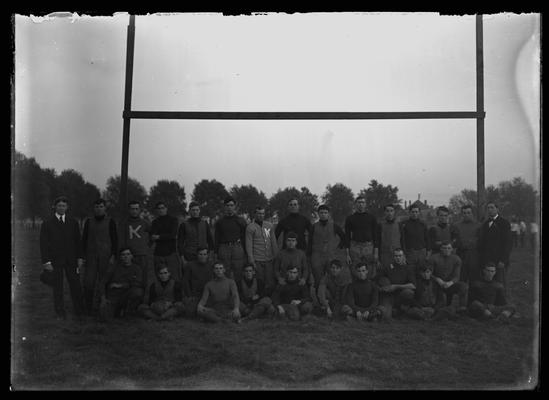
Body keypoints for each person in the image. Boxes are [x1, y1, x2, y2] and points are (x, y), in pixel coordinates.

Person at [39, 196, 85, 320]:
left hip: (71, 259)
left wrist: (80, 257)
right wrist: (46, 262)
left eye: (64, 206)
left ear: (67, 207)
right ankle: (60, 312)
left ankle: (79, 311)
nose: (61, 208)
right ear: (55, 207)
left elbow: (78, 241)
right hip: (55, 260)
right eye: (59, 205)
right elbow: (43, 244)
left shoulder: (73, 222)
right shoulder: (47, 223)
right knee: (58, 287)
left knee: (75, 285)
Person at [81, 198, 118, 316]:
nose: (99, 209)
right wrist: (82, 256)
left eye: (101, 206)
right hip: (91, 256)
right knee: (88, 282)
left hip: (105, 257)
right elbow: (84, 240)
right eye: (96, 207)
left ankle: (104, 307)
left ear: (105, 208)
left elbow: (115, 240)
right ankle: (88, 308)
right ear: (93, 208)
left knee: (104, 282)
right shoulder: (88, 222)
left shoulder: (110, 221)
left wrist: (113, 255)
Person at [307, 205, 348, 300]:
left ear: (328, 214)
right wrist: (308, 256)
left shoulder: (334, 226)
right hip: (317, 256)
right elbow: (309, 242)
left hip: (330, 256)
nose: (323, 214)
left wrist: (338, 247)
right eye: (321, 213)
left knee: (333, 278)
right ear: (318, 214)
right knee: (318, 279)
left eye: (325, 213)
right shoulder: (314, 227)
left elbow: (344, 237)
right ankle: (319, 301)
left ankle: (333, 299)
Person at [119, 201, 153, 302]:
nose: (134, 211)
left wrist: (148, 245)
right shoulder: (124, 223)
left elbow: (152, 233)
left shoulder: (144, 223)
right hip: (129, 256)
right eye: (132, 209)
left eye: (136, 209)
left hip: (142, 254)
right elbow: (121, 239)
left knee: (143, 278)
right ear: (129, 210)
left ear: (139, 210)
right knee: (129, 278)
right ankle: (128, 302)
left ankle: (141, 302)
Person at [98, 247, 144, 321]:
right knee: (104, 317)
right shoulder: (114, 267)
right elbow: (102, 282)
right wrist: (103, 298)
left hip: (126, 295)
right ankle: (117, 311)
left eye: (128, 254)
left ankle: (128, 311)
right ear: (120, 257)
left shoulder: (137, 268)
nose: (126, 257)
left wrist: (120, 285)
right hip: (113, 296)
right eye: (123, 255)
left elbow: (137, 283)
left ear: (132, 256)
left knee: (138, 292)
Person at [477, 202, 512, 293]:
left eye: (492, 207)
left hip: (499, 259)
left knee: (500, 281)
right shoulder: (485, 224)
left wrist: (503, 260)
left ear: (497, 209)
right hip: (487, 258)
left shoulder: (504, 223)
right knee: (489, 281)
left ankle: (502, 302)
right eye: (488, 208)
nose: (490, 210)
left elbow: (508, 243)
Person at [245, 206, 279, 294]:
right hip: (257, 259)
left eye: (263, 213)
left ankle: (270, 299)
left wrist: (276, 256)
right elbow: (249, 244)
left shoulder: (269, 225)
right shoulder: (250, 227)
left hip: (269, 259)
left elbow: (273, 242)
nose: (261, 215)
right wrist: (251, 259)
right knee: (260, 280)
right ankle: (260, 298)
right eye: (259, 213)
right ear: (255, 214)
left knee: (270, 280)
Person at [214, 197, 248, 282]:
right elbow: (216, 237)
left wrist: (245, 251)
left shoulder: (241, 220)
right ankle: (225, 293)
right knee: (225, 271)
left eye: (231, 205)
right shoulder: (220, 221)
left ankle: (238, 292)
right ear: (224, 207)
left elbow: (245, 237)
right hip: (224, 247)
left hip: (237, 247)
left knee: (239, 271)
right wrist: (215, 252)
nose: (229, 207)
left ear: (235, 206)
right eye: (227, 205)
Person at [376, 248, 416, 319]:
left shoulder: (407, 268)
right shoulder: (388, 267)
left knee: (409, 293)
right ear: (393, 257)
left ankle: (401, 309)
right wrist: (383, 288)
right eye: (396, 256)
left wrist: (396, 286)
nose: (398, 258)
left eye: (400, 256)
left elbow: (413, 286)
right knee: (386, 317)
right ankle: (392, 311)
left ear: (403, 256)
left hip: (400, 295)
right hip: (388, 295)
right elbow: (377, 279)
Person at [344, 196, 379, 278]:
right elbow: (347, 237)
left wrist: (376, 252)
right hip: (355, 247)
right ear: (355, 204)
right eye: (359, 202)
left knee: (369, 270)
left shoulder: (371, 218)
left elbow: (375, 235)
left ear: (365, 204)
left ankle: (369, 287)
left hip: (368, 247)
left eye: (363, 202)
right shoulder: (350, 218)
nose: (361, 204)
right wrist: (347, 254)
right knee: (355, 269)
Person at [430, 241, 468, 312]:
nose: (447, 250)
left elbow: (457, 276)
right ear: (440, 249)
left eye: (449, 248)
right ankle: (440, 305)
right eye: (444, 248)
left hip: (450, 284)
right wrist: (437, 279)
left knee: (463, 286)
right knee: (440, 306)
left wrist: (450, 283)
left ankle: (462, 308)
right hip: (437, 284)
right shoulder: (434, 258)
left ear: (452, 249)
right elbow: (429, 274)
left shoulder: (456, 259)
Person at [150, 201, 182, 283]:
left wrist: (159, 236)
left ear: (166, 209)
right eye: (159, 208)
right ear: (156, 210)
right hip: (158, 253)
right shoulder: (155, 222)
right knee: (160, 277)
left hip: (170, 253)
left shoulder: (173, 220)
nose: (161, 210)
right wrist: (164, 236)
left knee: (174, 276)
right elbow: (153, 236)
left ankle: (175, 294)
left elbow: (173, 235)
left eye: (163, 208)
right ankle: (161, 294)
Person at [182, 247, 213, 318]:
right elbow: (185, 281)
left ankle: (207, 312)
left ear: (207, 255)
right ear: (197, 255)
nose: (202, 256)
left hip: (208, 295)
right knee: (190, 313)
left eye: (205, 254)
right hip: (195, 295)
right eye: (200, 254)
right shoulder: (190, 265)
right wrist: (189, 295)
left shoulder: (211, 265)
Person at [400, 204, 430, 275]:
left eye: (416, 212)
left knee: (422, 272)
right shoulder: (404, 224)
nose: (415, 214)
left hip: (422, 252)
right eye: (413, 212)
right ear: (409, 212)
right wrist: (403, 253)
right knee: (411, 272)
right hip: (410, 252)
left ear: (419, 212)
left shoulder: (423, 224)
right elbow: (402, 240)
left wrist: (428, 252)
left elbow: (427, 238)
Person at [454, 205, 481, 283]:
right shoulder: (456, 225)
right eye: (464, 213)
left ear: (472, 213)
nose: (466, 215)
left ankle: (473, 295)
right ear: (462, 214)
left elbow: (481, 241)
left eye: (468, 213)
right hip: (461, 254)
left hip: (474, 254)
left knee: (474, 279)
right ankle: (462, 294)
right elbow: (454, 241)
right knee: (461, 278)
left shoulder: (479, 225)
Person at [376, 203, 403, 269]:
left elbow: (403, 240)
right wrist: (378, 258)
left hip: (397, 255)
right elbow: (377, 242)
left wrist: (403, 255)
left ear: (394, 212)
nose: (389, 213)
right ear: (385, 212)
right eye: (387, 211)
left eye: (391, 211)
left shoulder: (399, 224)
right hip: (385, 255)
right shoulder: (380, 225)